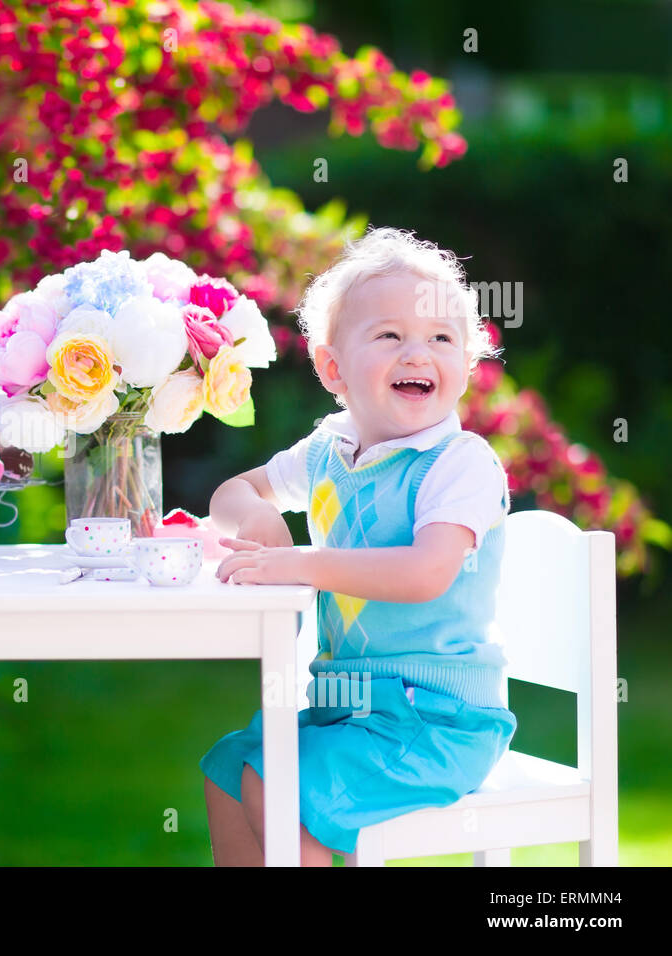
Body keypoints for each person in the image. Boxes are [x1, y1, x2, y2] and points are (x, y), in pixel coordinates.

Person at [200, 226, 517, 866]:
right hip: (347, 711)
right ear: (332, 368)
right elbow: (234, 490)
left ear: (468, 363)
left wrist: (304, 565)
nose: (417, 353)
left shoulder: (458, 464)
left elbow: (427, 573)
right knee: (229, 768)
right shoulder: (329, 450)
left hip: (437, 721)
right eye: (390, 335)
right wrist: (258, 517)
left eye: (441, 338)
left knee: (280, 785)